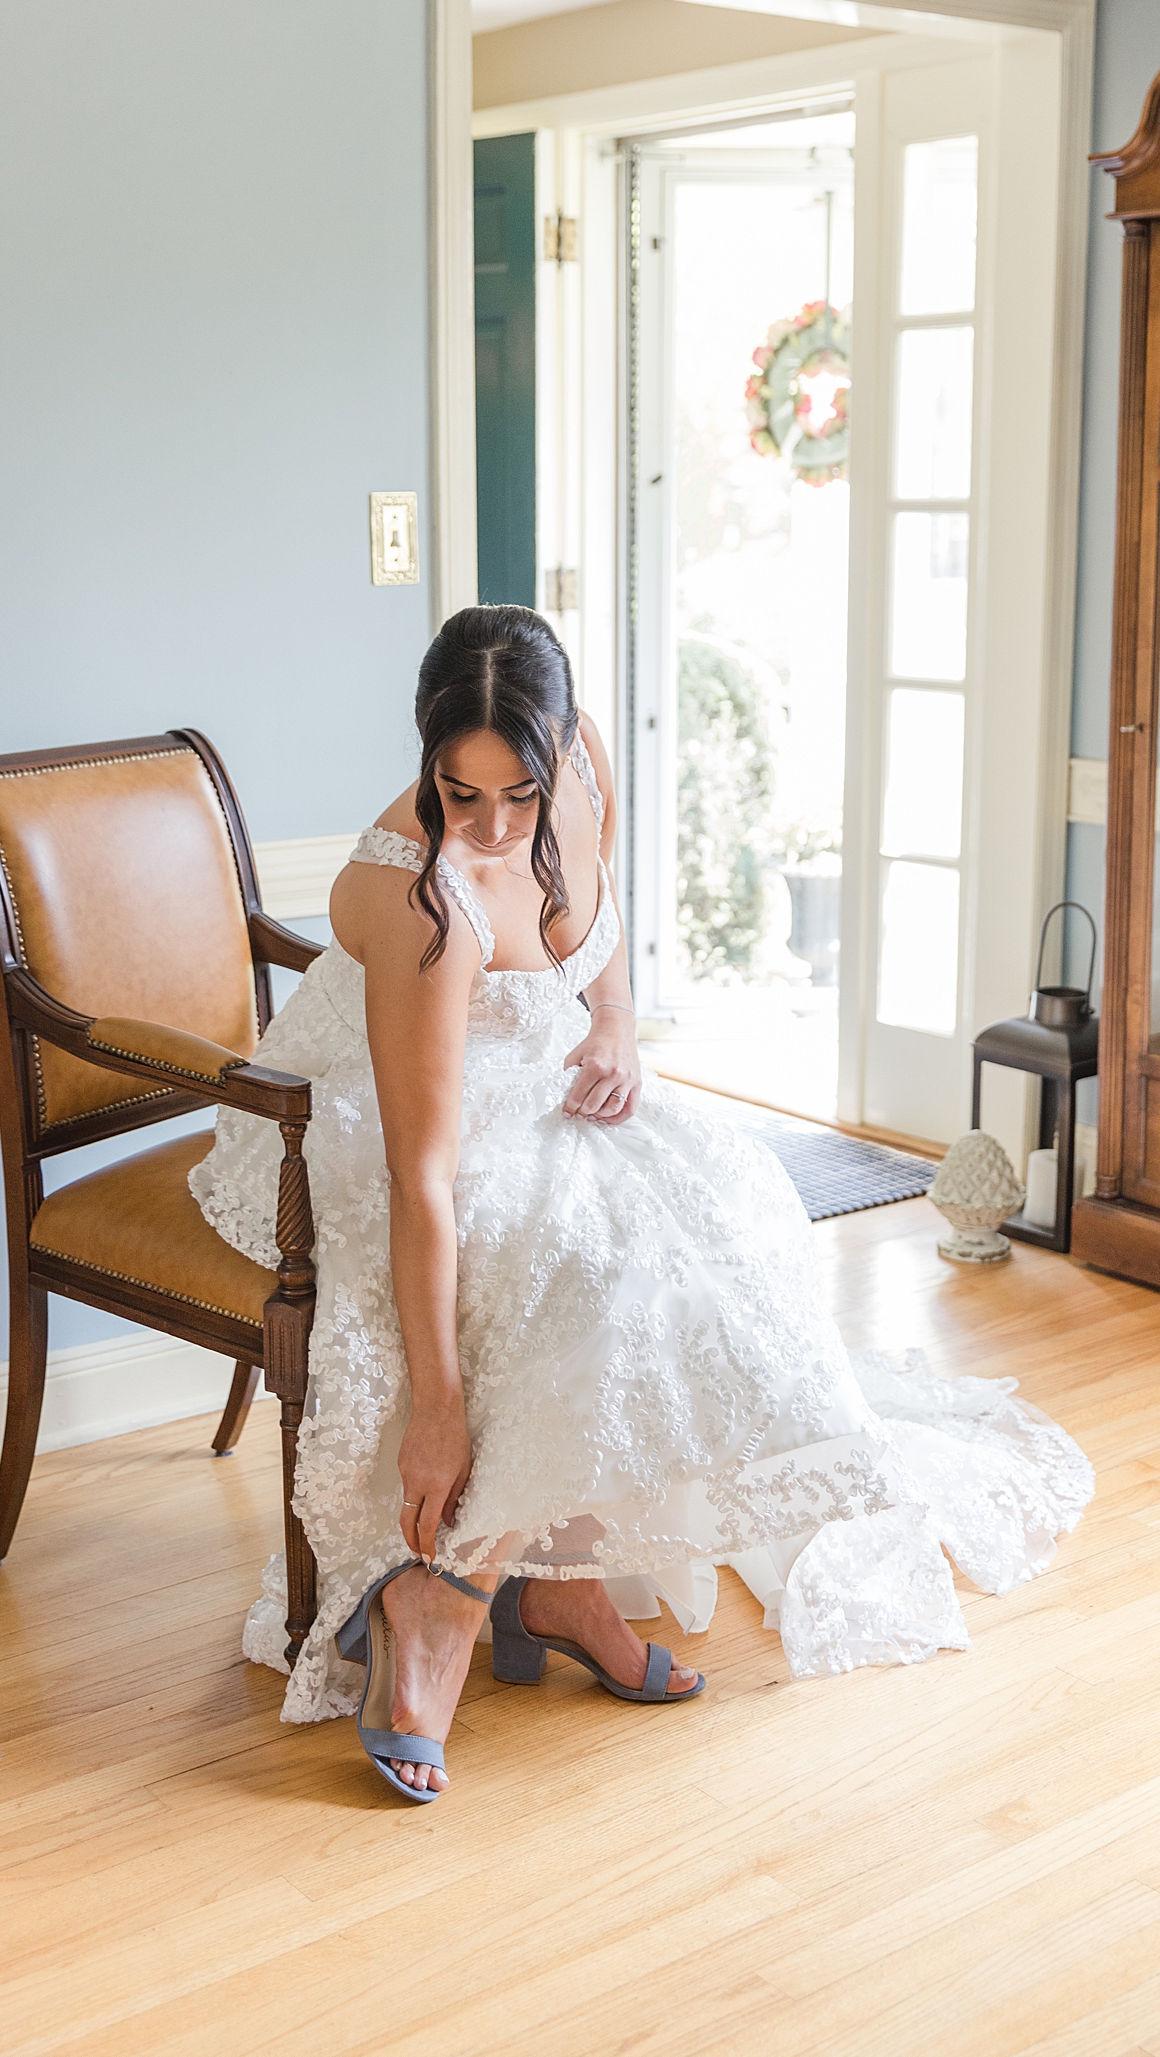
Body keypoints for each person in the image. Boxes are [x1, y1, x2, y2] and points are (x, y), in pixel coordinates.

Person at [192, 605, 1092, 1802]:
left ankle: (558, 1583)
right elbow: (421, 1176)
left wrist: (611, 1023)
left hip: (543, 1081)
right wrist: (440, 1412)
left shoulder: (584, 753)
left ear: (560, 743)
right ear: (427, 768)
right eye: (463, 797)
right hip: (374, 1127)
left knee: (728, 1216)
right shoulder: (425, 900)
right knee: (604, 1272)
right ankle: (450, 1592)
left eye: (521, 793)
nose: (499, 827)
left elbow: (599, 919)